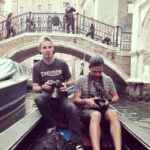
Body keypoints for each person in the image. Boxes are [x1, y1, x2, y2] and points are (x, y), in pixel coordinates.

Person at [32, 36, 84, 150]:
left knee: (72, 108)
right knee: (38, 98)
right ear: (40, 50)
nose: (47, 50)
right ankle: (52, 127)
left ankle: (77, 143)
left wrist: (65, 85)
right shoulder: (36, 67)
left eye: (50, 47)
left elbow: (72, 80)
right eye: (44, 47)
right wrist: (43, 87)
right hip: (46, 99)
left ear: (53, 48)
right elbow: (35, 87)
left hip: (61, 98)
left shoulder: (62, 63)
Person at [73, 55, 122, 150]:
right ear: (89, 68)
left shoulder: (108, 79)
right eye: (94, 71)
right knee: (96, 114)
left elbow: (116, 97)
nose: (97, 74)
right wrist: (86, 101)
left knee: (113, 113)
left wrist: (109, 101)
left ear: (103, 68)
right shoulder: (81, 80)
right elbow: (76, 100)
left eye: (100, 71)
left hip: (103, 108)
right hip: (86, 110)